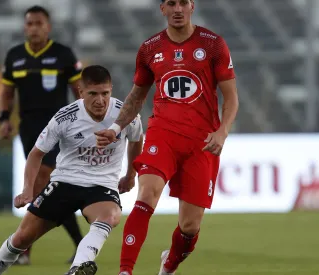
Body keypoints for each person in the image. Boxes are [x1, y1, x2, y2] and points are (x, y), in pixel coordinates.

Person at [95, 0, 239, 274]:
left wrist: (222, 132)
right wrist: (115, 129)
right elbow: (137, 97)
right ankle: (125, 271)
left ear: (192, 6)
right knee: (146, 194)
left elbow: (231, 97)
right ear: (162, 8)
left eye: (183, 2)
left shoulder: (213, 45)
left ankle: (169, 264)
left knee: (190, 227)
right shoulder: (150, 49)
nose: (177, 9)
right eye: (171, 3)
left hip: (202, 142)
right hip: (163, 134)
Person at [0, 65, 144, 275]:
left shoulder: (125, 114)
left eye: (105, 93)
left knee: (110, 216)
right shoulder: (65, 117)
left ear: (111, 90)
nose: (100, 100)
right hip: (64, 183)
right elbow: (36, 154)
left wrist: (130, 175)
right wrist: (27, 190)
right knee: (22, 238)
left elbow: (136, 139)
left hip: (101, 185)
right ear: (80, 92)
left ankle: (77, 269)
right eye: (93, 94)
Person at [0, 5, 84, 264]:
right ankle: (80, 244)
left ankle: (23, 248)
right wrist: (4, 118)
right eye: (30, 23)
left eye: (38, 23)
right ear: (25, 27)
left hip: (59, 125)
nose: (33, 28)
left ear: (48, 26)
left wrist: (86, 119)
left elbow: (78, 90)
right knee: (48, 187)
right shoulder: (15, 56)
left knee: (43, 180)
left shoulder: (63, 55)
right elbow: (7, 93)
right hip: (29, 127)